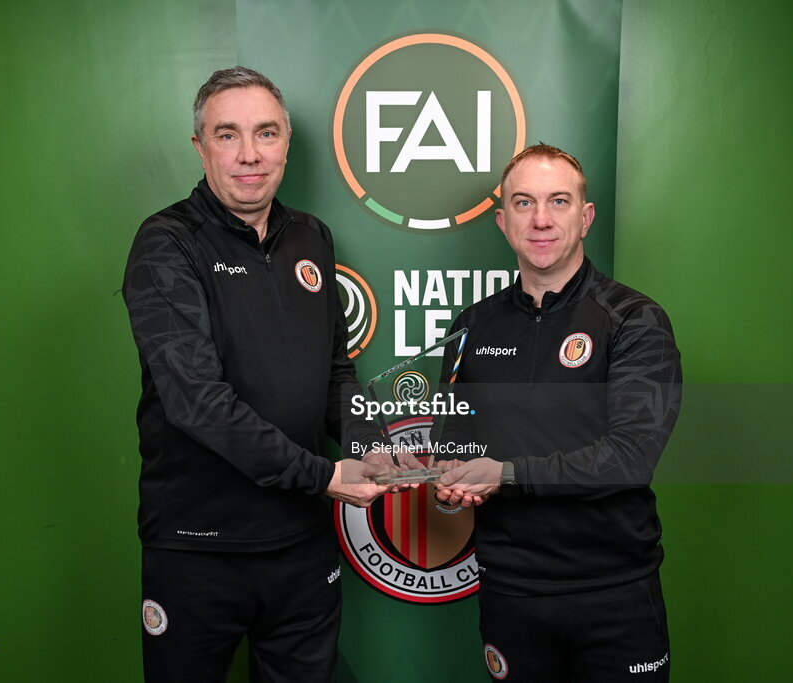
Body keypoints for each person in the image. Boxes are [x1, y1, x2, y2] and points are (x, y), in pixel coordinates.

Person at [122, 66, 400, 682]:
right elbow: (196, 402)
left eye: (266, 133)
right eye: (228, 134)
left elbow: (334, 370)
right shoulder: (166, 244)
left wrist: (370, 445)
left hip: (302, 546)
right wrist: (324, 474)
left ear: (287, 142)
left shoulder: (313, 238)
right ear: (200, 146)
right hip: (197, 547)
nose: (249, 154)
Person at [435, 144, 682, 681]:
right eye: (523, 203)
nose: (541, 219)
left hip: (614, 593)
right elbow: (452, 437)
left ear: (585, 216)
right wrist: (440, 475)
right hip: (509, 591)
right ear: (502, 222)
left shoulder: (635, 320)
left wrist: (503, 474)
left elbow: (630, 458)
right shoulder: (471, 324)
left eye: (558, 201)